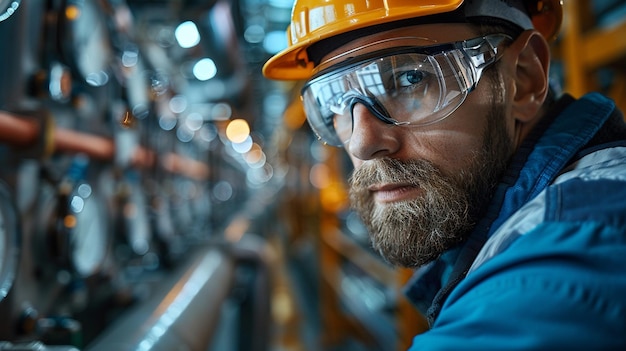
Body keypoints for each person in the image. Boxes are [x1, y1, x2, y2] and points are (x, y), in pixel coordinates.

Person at [264, 0, 626, 349]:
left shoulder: (563, 266)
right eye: (334, 103)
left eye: (409, 78)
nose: (361, 143)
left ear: (523, 78)